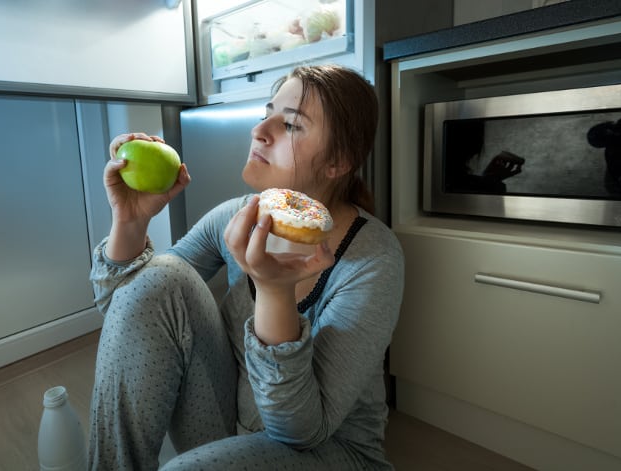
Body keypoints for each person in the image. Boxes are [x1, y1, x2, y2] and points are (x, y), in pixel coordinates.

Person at [87, 64, 405, 470]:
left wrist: (274, 293)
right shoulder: (236, 216)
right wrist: (130, 222)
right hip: (231, 417)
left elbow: (302, 431)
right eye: (267, 113)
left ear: (337, 162)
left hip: (330, 449)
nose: (260, 130)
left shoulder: (372, 258)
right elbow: (128, 312)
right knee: (164, 274)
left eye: (290, 125)